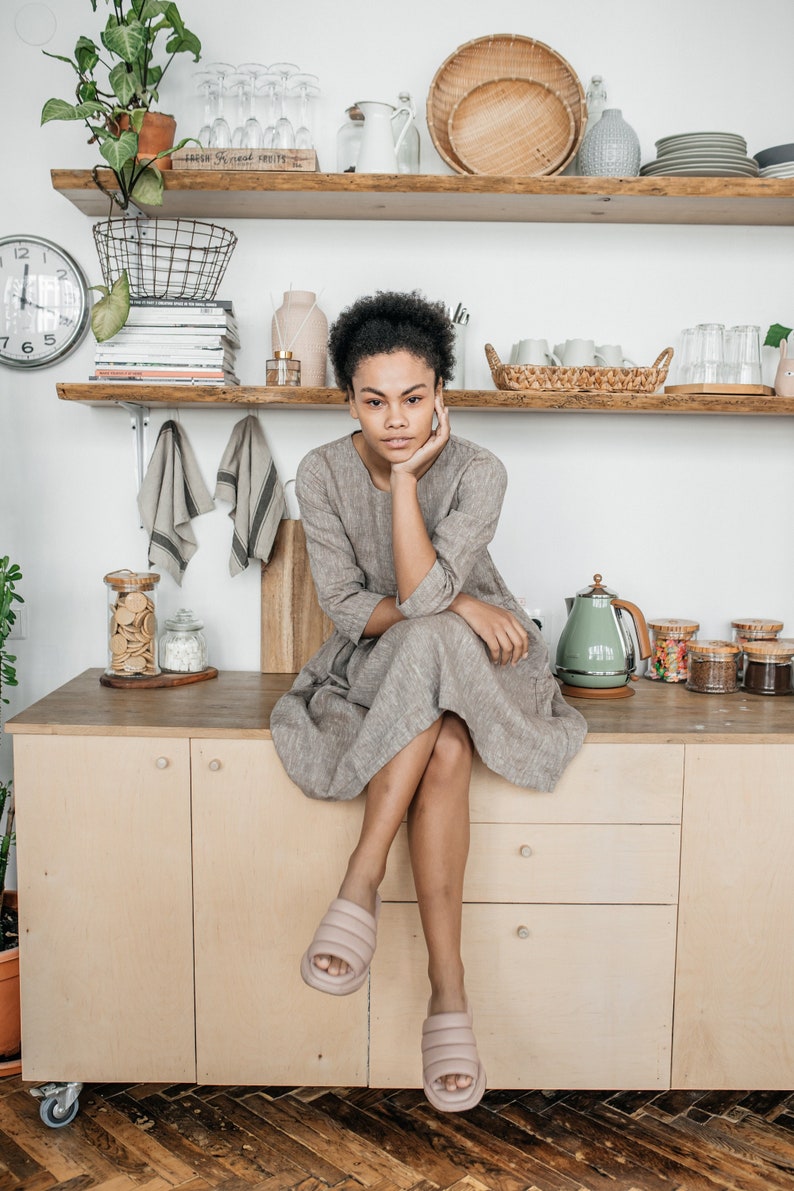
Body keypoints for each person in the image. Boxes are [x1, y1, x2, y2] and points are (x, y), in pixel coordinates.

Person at [270, 291, 587, 1112]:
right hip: (377, 661)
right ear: (349, 401)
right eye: (374, 402)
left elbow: (419, 595)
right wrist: (453, 606)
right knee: (430, 678)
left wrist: (408, 483)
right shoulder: (320, 472)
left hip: (491, 661)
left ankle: (361, 881)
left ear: (441, 392)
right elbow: (352, 609)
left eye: (414, 399)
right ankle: (451, 995)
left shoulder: (480, 470)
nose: (395, 421)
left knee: (440, 670)